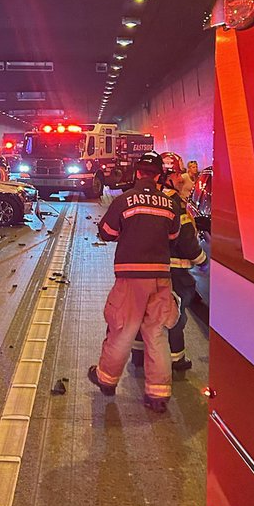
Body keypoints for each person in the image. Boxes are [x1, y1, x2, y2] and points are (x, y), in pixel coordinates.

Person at [88, 151, 181, 413]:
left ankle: (106, 379)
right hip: (161, 277)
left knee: (123, 329)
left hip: (131, 277)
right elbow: (173, 236)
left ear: (138, 172)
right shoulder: (169, 203)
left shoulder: (125, 200)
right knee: (157, 333)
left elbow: (107, 233)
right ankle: (158, 395)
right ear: (159, 175)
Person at [131, 166, 206, 373]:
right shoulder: (174, 204)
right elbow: (187, 241)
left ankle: (138, 355)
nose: (181, 179)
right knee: (175, 315)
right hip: (174, 272)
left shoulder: (150, 199)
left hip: (147, 269)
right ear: (165, 176)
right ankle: (176, 359)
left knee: (144, 313)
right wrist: (203, 261)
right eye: (176, 175)